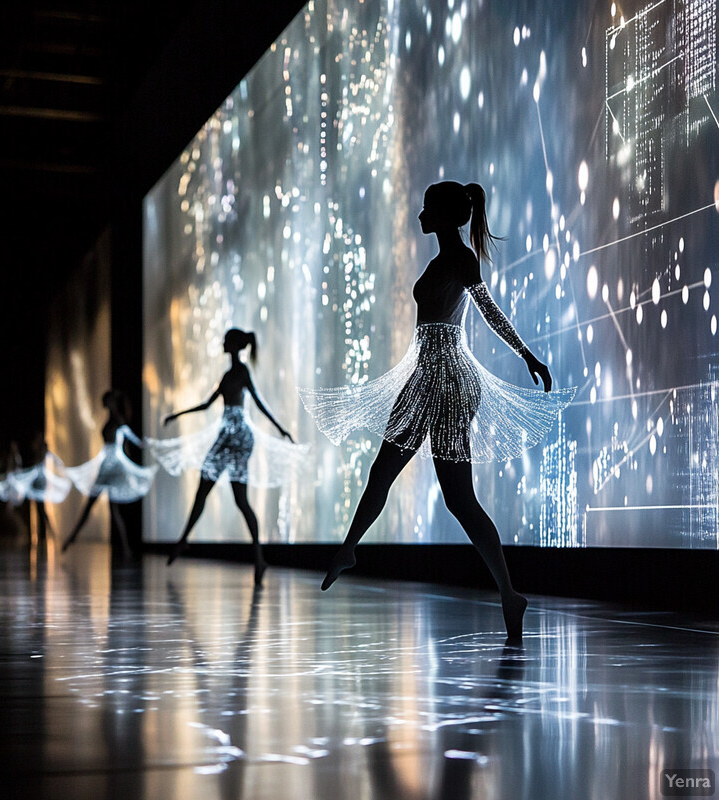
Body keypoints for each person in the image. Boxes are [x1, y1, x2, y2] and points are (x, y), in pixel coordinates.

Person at [298, 181, 576, 641]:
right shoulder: (442, 259)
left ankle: (509, 592)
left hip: (447, 381)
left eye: (427, 208)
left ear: (445, 216)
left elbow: (488, 311)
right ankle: (350, 548)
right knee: (383, 472)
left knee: (457, 498)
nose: (420, 214)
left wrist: (527, 354)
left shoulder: (461, 260)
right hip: (426, 377)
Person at [156, 328, 302, 586]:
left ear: (233, 345)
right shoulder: (228, 375)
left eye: (225, 341)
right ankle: (185, 540)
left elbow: (257, 402)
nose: (222, 343)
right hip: (227, 437)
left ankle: (257, 557)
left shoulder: (241, 371)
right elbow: (206, 405)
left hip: (238, 439)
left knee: (238, 498)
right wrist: (176, 415)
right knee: (209, 489)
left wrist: (281, 430)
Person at [63, 389, 158, 558]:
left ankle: (74, 538)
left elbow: (131, 442)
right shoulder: (113, 420)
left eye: (106, 401)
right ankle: (73, 538)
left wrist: (132, 464)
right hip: (106, 468)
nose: (104, 405)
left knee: (107, 508)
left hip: (112, 469)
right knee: (99, 506)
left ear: (111, 402)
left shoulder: (119, 421)